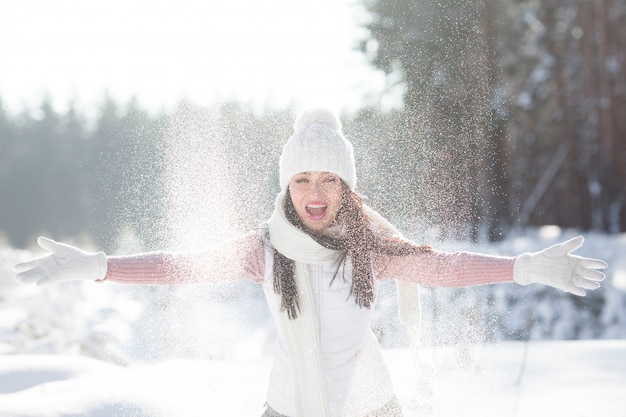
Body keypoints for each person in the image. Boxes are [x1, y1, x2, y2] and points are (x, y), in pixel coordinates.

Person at [13, 108, 607, 417]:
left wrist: (525, 267)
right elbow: (179, 265)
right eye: (302, 178)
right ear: (286, 187)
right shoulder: (263, 249)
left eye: (329, 178)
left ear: (348, 186)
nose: (315, 191)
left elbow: (442, 266)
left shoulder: (372, 245)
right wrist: (94, 266)